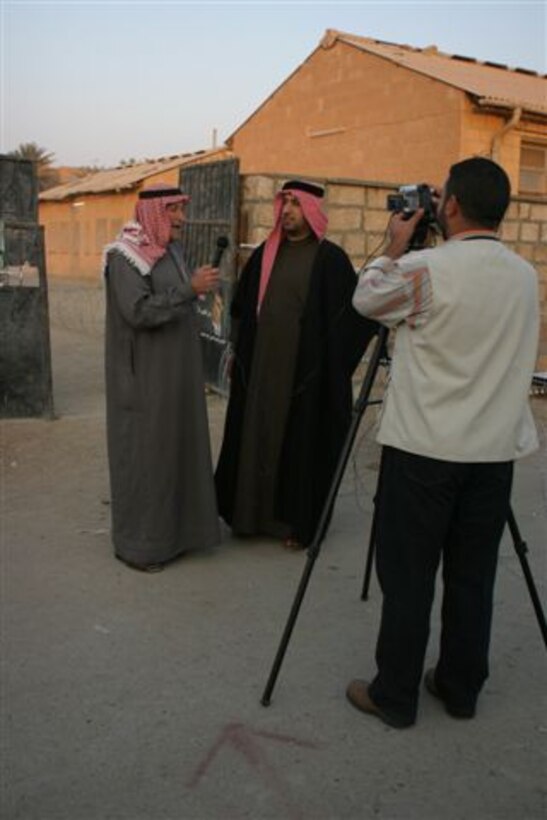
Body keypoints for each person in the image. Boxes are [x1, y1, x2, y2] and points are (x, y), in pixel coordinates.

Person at [347, 157, 539, 728]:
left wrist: (394, 244)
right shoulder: (524, 274)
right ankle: (460, 688)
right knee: (472, 576)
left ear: (449, 206)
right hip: (492, 456)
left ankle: (395, 695)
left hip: (425, 453)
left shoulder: (425, 269)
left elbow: (367, 299)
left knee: (408, 576)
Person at [215, 179, 377, 549]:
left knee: (298, 441)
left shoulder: (330, 260)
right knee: (254, 436)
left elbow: (352, 318)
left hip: (301, 375)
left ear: (312, 210)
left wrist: (330, 370)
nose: (286, 211)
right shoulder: (264, 255)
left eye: (295, 204)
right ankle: (248, 516)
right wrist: (236, 351)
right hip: (259, 369)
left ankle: (293, 522)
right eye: (283, 203)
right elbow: (240, 308)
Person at [103, 183, 221, 572]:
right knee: (147, 458)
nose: (182, 218)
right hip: (145, 379)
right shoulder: (125, 256)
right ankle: (143, 547)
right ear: (155, 211)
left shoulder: (171, 249)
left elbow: (180, 297)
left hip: (178, 376)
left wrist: (195, 289)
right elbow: (137, 311)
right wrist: (189, 290)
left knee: (176, 450)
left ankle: (179, 536)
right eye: (175, 210)